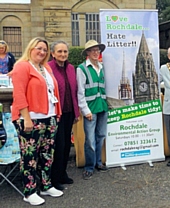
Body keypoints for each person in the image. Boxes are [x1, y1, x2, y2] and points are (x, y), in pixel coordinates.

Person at [11, 37, 63, 206]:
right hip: (31, 118)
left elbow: (52, 91)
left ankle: (46, 185)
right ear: (31, 48)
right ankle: (29, 190)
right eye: (38, 48)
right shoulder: (22, 66)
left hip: (49, 116)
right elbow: (19, 94)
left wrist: (57, 114)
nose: (42, 52)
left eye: (44, 50)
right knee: (30, 156)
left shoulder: (45, 67)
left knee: (47, 154)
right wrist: (26, 117)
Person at [48, 40, 80, 190]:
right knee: (58, 145)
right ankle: (54, 178)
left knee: (67, 144)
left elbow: (74, 91)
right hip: (56, 113)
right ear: (53, 53)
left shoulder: (71, 68)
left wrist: (77, 112)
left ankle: (63, 173)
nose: (63, 54)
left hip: (69, 112)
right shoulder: (48, 68)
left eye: (65, 51)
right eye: (59, 51)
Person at [76, 40, 108, 180]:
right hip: (91, 108)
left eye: (97, 50)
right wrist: (85, 110)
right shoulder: (81, 69)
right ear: (87, 53)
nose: (96, 53)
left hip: (102, 107)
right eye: (92, 50)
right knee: (89, 139)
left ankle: (98, 162)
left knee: (100, 136)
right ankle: (89, 166)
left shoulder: (102, 67)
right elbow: (80, 92)